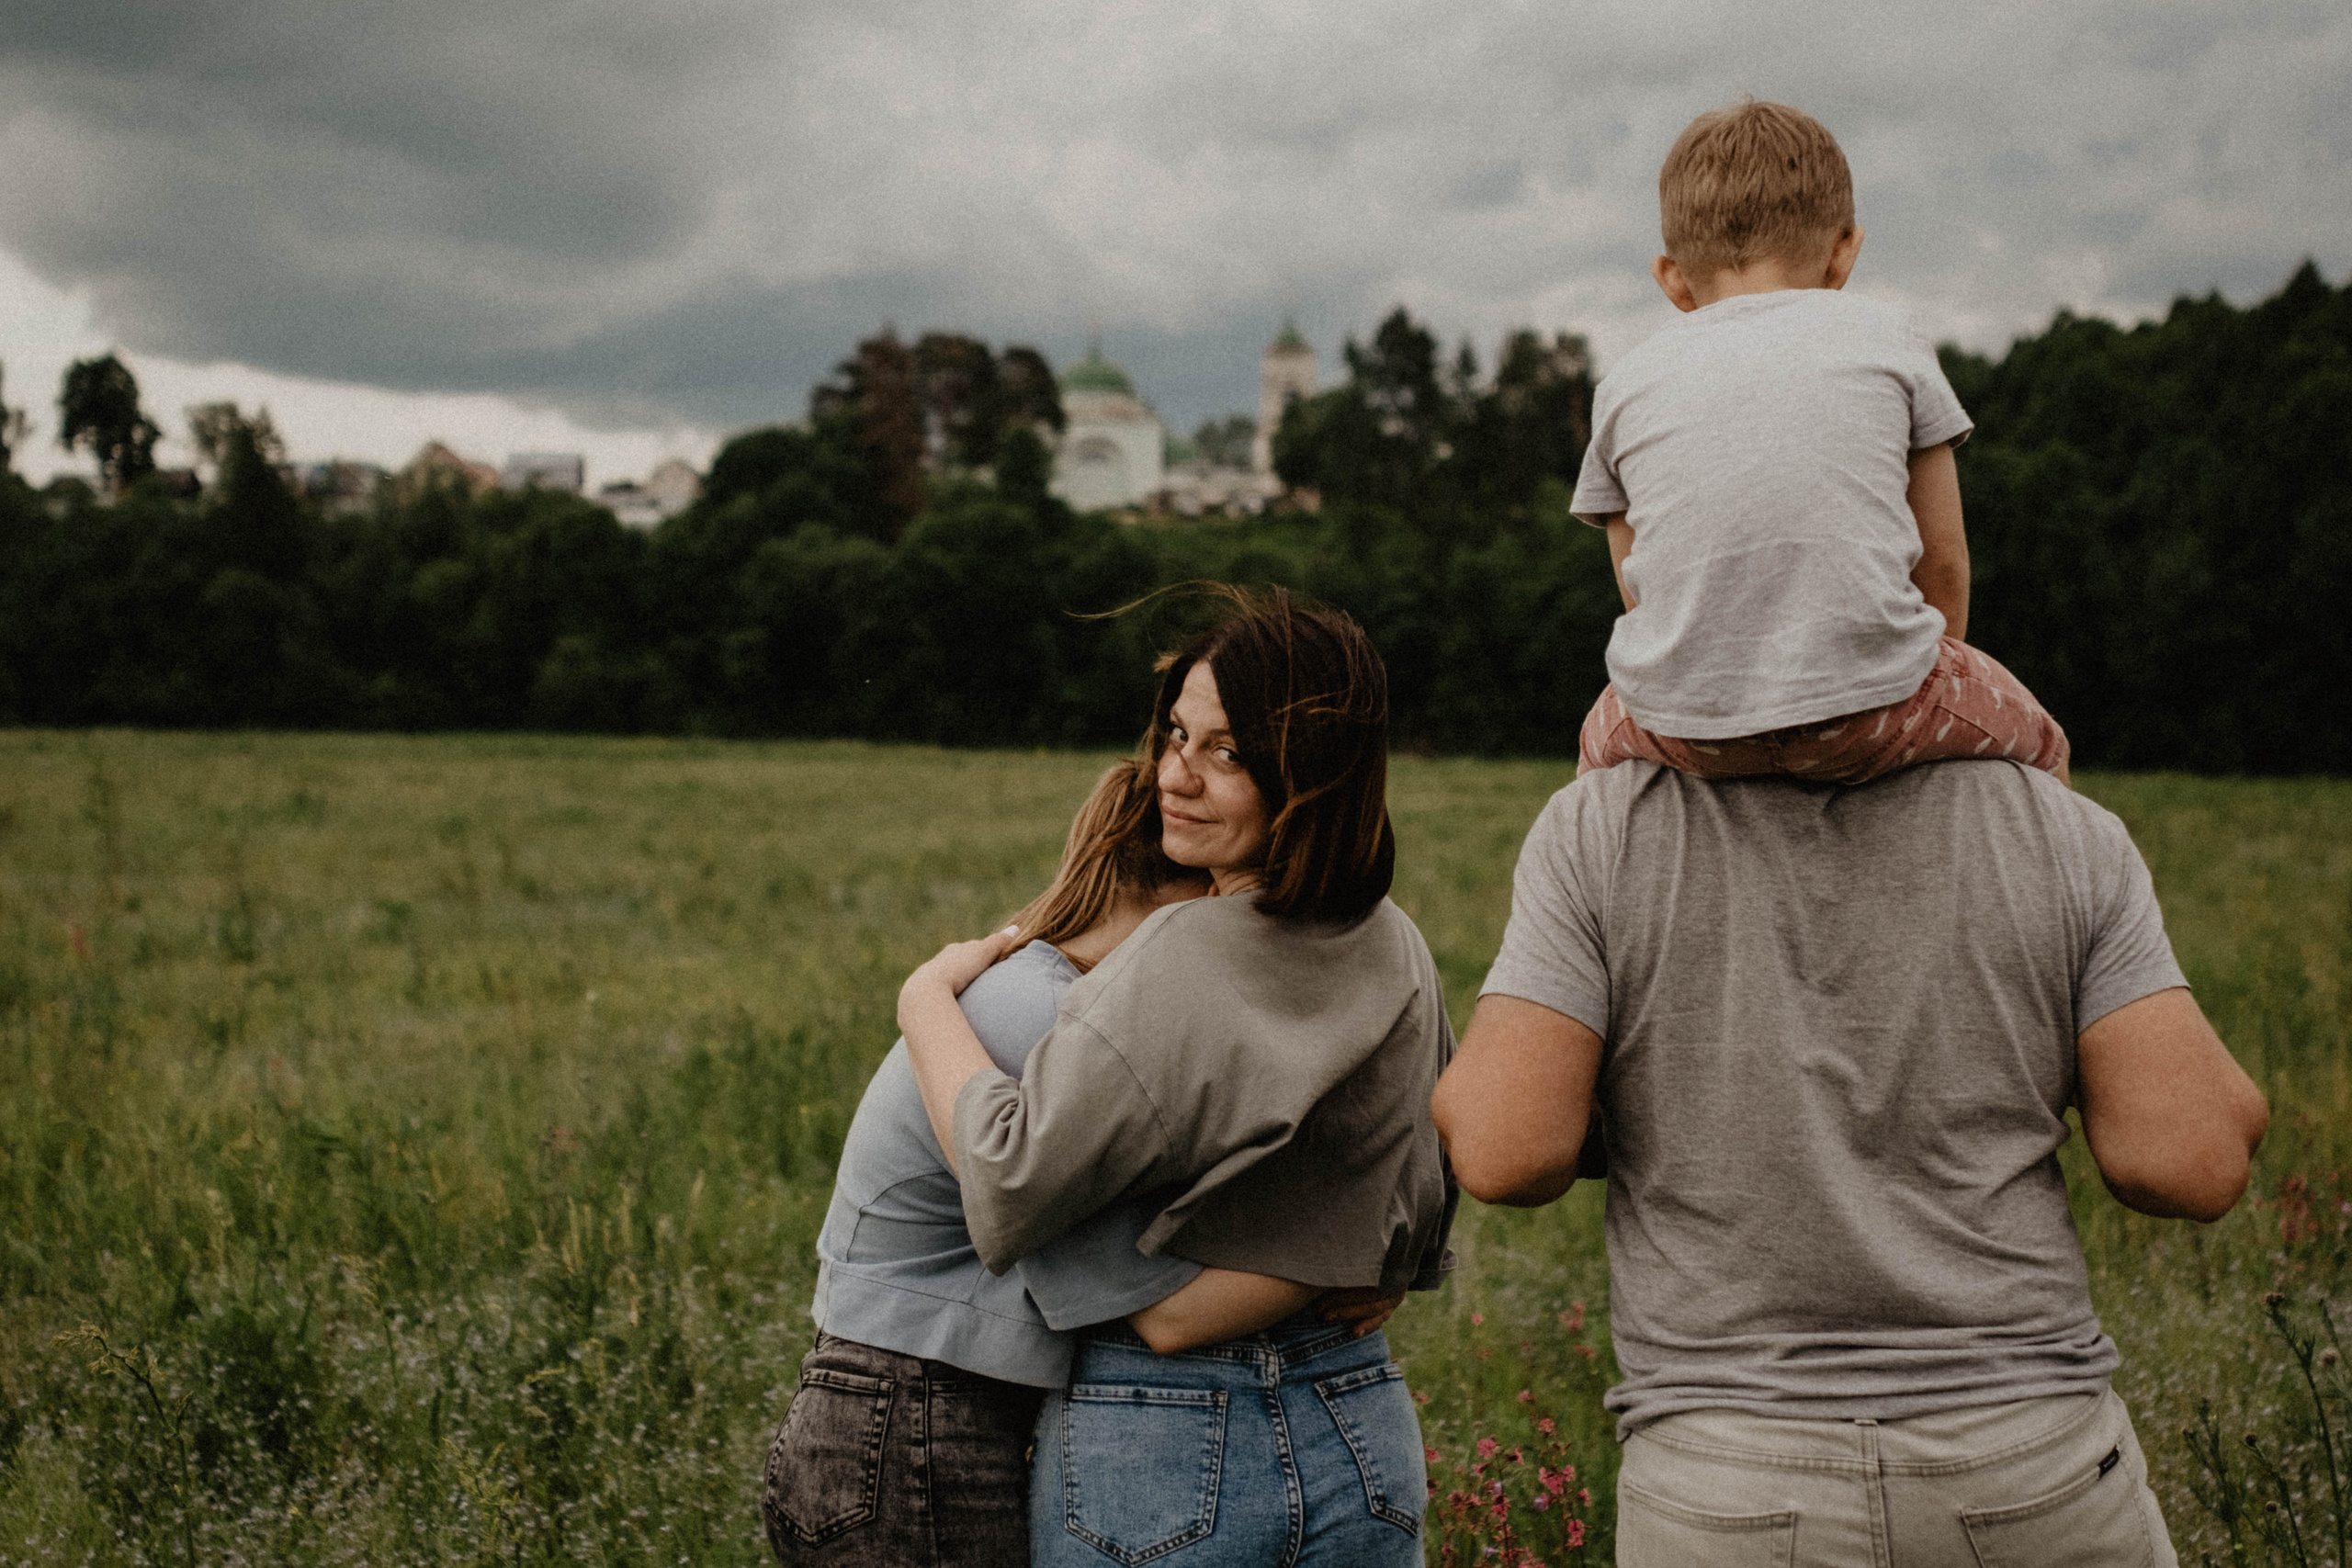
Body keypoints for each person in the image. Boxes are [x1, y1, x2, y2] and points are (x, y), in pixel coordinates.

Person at [1431, 755, 2269, 1565]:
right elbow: (2191, 1159)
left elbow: (1505, 1151)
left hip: (1728, 1475)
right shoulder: (2056, 825)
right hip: (2022, 1454)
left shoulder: (1602, 823)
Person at [899, 589, 1454, 1568]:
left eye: (1227, 754)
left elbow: (1007, 1180)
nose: (1175, 776)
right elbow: (1430, 1172)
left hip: (1167, 1436)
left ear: (1312, 773)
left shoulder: (1179, 953)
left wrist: (924, 1000)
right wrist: (1359, 1262)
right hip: (1360, 1419)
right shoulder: (1396, 942)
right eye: (1176, 736)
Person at [763, 759, 1383, 1568]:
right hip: (912, 1421)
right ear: (1179, 901)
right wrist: (1356, 1254)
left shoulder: (1040, 996)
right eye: (1223, 915)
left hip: (894, 1418)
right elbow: (1170, 1290)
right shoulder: (1047, 1017)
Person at [1573, 99, 2071, 786]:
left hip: (1688, 728)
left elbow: (1640, 592)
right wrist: (1917, 684)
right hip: (1873, 714)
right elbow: (1944, 567)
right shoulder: (1891, 341)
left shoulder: (1623, 386)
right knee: (2045, 745)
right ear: (1844, 251)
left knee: (1593, 763)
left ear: (1672, 278)